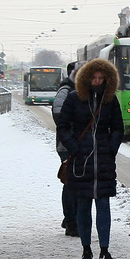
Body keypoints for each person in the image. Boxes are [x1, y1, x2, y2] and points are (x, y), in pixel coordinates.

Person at [57, 57, 124, 259]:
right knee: (83, 206)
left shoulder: (110, 100)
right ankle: (86, 251)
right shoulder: (74, 99)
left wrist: (111, 148)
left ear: (107, 80)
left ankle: (104, 251)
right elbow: (63, 126)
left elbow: (118, 127)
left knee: (103, 205)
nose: (97, 82)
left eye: (101, 78)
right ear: (86, 79)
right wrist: (74, 148)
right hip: (81, 162)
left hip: (103, 161)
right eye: (93, 78)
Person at [52, 62, 79, 236]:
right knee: (70, 182)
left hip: (76, 142)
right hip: (67, 144)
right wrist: (70, 134)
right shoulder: (66, 90)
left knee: (75, 182)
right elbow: (58, 115)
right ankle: (71, 220)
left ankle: (71, 217)